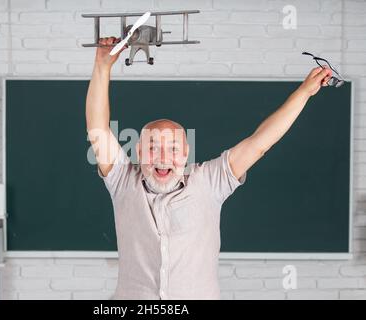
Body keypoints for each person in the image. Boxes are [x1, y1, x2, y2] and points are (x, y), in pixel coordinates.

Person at [85, 36, 333, 299]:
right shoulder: (123, 181)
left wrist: (304, 91)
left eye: (173, 148)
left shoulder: (209, 181)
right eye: (153, 147)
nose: (163, 157)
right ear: (137, 151)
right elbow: (97, 129)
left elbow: (260, 143)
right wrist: (102, 66)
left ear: (187, 153)